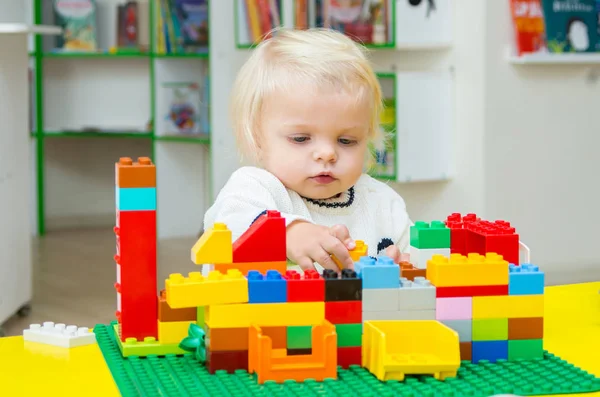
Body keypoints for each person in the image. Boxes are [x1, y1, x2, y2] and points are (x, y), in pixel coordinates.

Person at [203, 28, 412, 273]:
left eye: (346, 140)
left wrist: (406, 266)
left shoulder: (383, 203)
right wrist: (289, 232)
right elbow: (226, 227)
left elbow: (418, 257)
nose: (327, 154)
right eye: (301, 138)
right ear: (258, 138)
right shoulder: (254, 188)